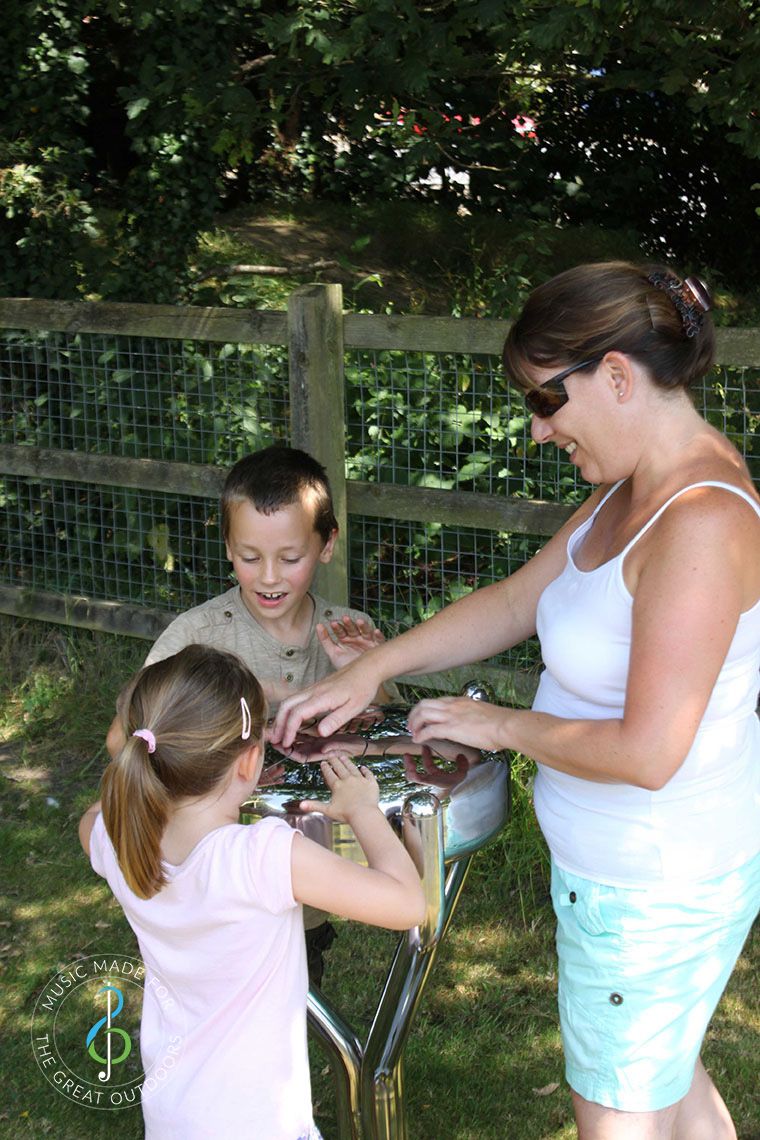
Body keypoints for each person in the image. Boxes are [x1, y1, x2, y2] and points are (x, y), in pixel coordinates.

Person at [272, 262, 760, 1139]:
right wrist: (369, 672)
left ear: (614, 375)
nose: (539, 433)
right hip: (627, 878)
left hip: (653, 884)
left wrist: (495, 724)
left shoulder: (701, 520)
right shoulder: (627, 489)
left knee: (618, 1113)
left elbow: (649, 752)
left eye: (545, 402)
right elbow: (513, 601)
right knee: (668, 1083)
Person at [80, 644, 424, 1140]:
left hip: (173, 1116)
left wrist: (135, 788)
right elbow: (405, 903)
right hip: (259, 1122)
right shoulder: (259, 858)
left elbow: (89, 820)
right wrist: (361, 808)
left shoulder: (116, 839)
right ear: (251, 764)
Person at [105, 444, 397, 983]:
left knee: (294, 995)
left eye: (290, 558)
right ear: (226, 546)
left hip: (311, 869)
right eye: (248, 556)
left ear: (327, 543)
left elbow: (384, 747)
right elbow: (126, 740)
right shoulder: (197, 637)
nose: (268, 577)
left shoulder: (348, 631)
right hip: (209, 886)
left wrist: (366, 679)